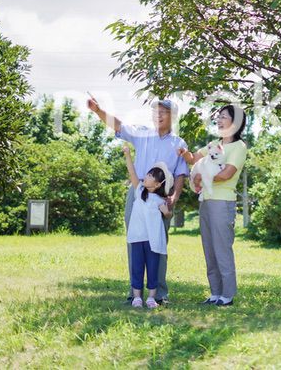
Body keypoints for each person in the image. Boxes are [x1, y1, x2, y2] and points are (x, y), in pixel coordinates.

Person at [87, 96, 189, 304]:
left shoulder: (179, 143)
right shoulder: (142, 134)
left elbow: (180, 174)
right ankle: (134, 292)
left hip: (161, 196)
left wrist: (174, 197)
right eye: (155, 111)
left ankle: (159, 294)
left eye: (163, 112)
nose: (158, 115)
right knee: (135, 240)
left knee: (159, 243)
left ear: (173, 116)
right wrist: (98, 111)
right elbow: (119, 126)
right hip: (137, 191)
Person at [179, 104, 248, 307]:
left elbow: (227, 173)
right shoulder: (212, 144)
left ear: (235, 122)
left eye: (224, 117)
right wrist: (184, 153)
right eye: (218, 117)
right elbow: (193, 159)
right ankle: (215, 293)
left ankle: (227, 294)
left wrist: (203, 177)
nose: (219, 120)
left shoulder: (239, 147)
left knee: (222, 249)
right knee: (209, 249)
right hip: (206, 202)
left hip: (222, 202)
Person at [122, 144, 171, 308]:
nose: (146, 177)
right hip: (137, 237)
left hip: (152, 240)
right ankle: (136, 297)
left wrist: (167, 212)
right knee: (136, 267)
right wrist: (128, 155)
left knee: (152, 267)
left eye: (150, 176)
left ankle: (151, 297)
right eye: (148, 174)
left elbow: (167, 215)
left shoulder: (159, 200)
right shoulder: (139, 191)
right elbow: (132, 172)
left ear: (157, 184)